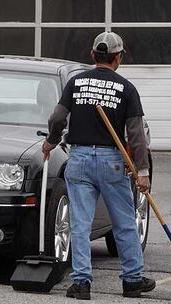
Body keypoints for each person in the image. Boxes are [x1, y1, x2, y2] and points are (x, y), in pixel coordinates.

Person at [42, 31, 155, 300]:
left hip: (79, 159)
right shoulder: (126, 89)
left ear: (93, 55)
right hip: (111, 162)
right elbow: (137, 136)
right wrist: (142, 172)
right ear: (119, 58)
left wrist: (51, 141)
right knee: (125, 223)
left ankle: (81, 283)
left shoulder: (76, 82)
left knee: (80, 223)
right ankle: (132, 281)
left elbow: (57, 117)